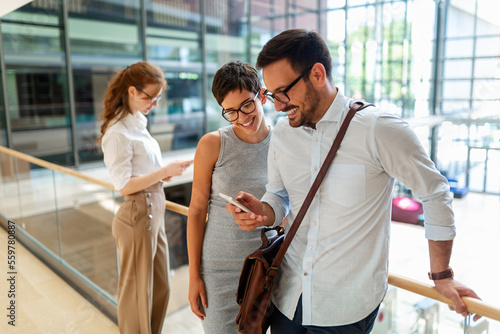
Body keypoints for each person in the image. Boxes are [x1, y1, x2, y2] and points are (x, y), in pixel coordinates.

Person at [226, 29, 481, 333]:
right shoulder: (282, 134)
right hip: (286, 297)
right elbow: (278, 197)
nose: (277, 106)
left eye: (282, 92)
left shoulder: (379, 130)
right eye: (271, 95)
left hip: (345, 310)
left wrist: (442, 276)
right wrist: (263, 211)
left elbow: (435, 192)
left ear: (317, 75)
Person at [97, 61, 193, 334]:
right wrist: (161, 171)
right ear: (131, 91)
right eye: (149, 97)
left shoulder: (139, 124)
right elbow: (124, 185)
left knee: (160, 288)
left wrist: (163, 174)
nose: (154, 103)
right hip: (138, 216)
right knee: (137, 294)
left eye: (158, 97)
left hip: (154, 214)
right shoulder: (118, 132)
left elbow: (142, 173)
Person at [187, 61, 272, 333]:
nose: (242, 117)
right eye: (231, 112)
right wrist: (193, 276)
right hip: (218, 270)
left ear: (261, 95)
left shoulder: (284, 141)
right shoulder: (213, 144)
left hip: (267, 268)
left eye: (247, 105)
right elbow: (197, 210)